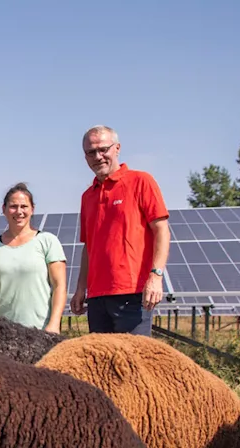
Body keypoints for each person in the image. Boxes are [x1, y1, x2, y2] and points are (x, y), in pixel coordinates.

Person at [69, 125, 170, 336]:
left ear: (117, 148)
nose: (98, 156)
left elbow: (161, 230)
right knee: (102, 365)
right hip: (97, 298)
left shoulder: (141, 181)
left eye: (103, 149)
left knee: (134, 363)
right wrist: (80, 289)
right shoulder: (88, 196)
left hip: (132, 293)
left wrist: (156, 276)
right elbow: (89, 247)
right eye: (91, 152)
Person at [0, 182, 67, 333]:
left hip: (40, 330)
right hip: (1, 332)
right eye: (13, 206)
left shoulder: (47, 241)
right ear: (3, 209)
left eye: (24, 206)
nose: (19, 211)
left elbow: (59, 286)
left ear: (32, 209)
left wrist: (54, 323)